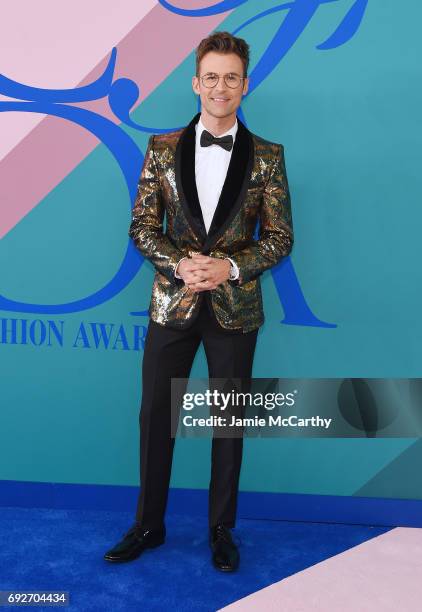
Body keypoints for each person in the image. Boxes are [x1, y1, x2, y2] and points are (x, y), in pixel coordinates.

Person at [104, 31, 293, 572]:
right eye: (211, 76)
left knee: (228, 423)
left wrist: (230, 266)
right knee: (155, 417)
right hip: (173, 304)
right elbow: (143, 227)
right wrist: (177, 264)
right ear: (196, 83)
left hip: (236, 310)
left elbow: (280, 237)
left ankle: (220, 530)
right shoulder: (161, 149)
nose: (220, 86)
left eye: (231, 77)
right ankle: (148, 525)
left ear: (245, 85)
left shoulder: (269, 158)